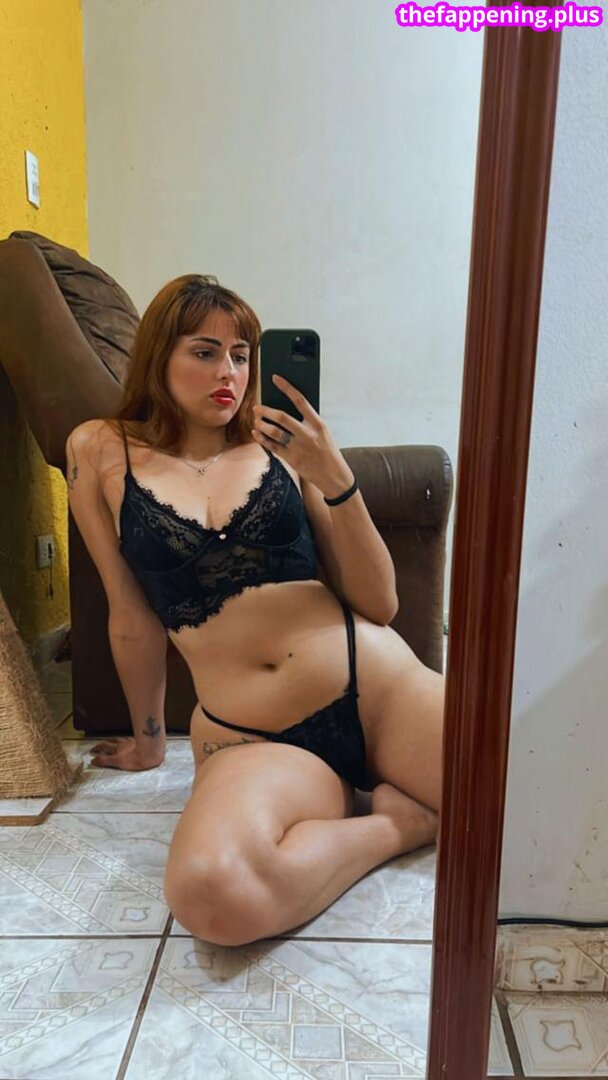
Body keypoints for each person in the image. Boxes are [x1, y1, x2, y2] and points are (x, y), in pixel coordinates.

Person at [66, 273, 444, 947]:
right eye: (205, 352)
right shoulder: (99, 449)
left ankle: (385, 796)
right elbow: (131, 615)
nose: (229, 374)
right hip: (254, 737)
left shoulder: (281, 445)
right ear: (157, 356)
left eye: (241, 356)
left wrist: (335, 478)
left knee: (533, 798)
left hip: (379, 691)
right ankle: (400, 823)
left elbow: (380, 602)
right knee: (212, 892)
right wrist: (149, 743)